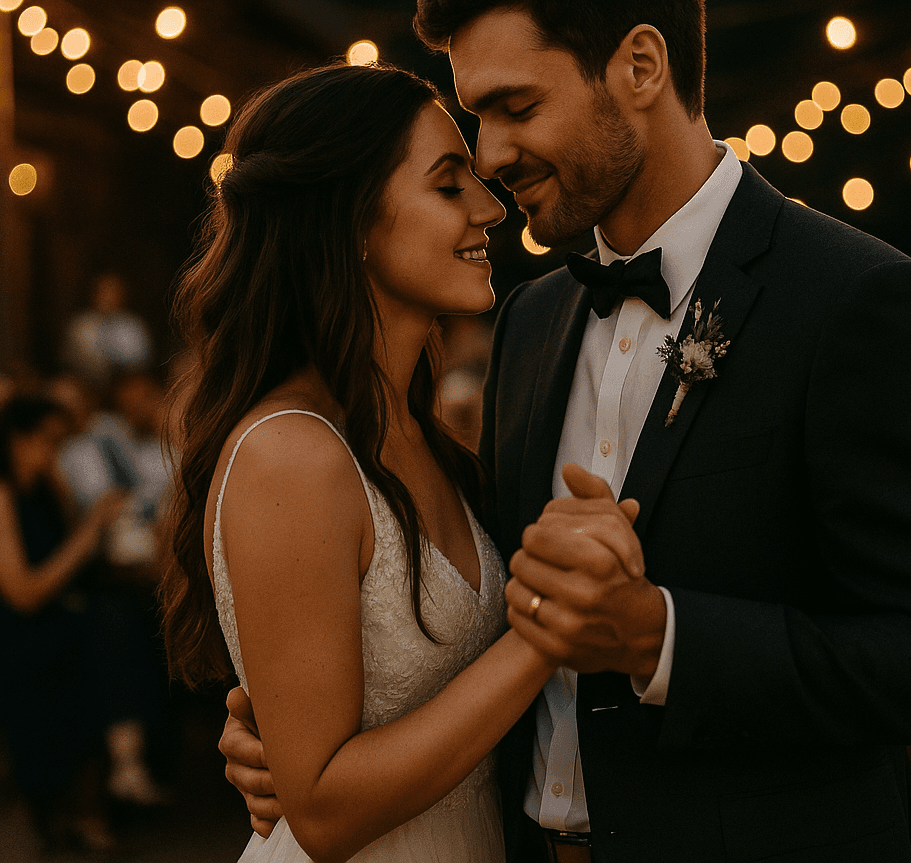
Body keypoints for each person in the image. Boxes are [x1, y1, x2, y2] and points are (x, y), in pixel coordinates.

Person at [222, 0, 911, 862]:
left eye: (516, 107)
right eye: (476, 119)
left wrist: (659, 636)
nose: (493, 156)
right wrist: (301, 744)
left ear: (639, 65)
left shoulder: (857, 301)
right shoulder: (531, 319)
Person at [160, 62, 640, 863]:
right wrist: (548, 630)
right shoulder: (292, 455)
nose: (491, 208)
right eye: (448, 187)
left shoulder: (431, 441)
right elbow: (325, 811)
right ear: (348, 219)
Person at [0, 393, 125, 852]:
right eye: (48, 440)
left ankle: (89, 816)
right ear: (17, 437)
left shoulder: (46, 487)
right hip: (24, 639)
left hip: (66, 630)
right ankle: (63, 819)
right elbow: (24, 592)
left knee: (92, 718)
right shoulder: (3, 496)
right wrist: (90, 530)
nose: (56, 450)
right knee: (49, 734)